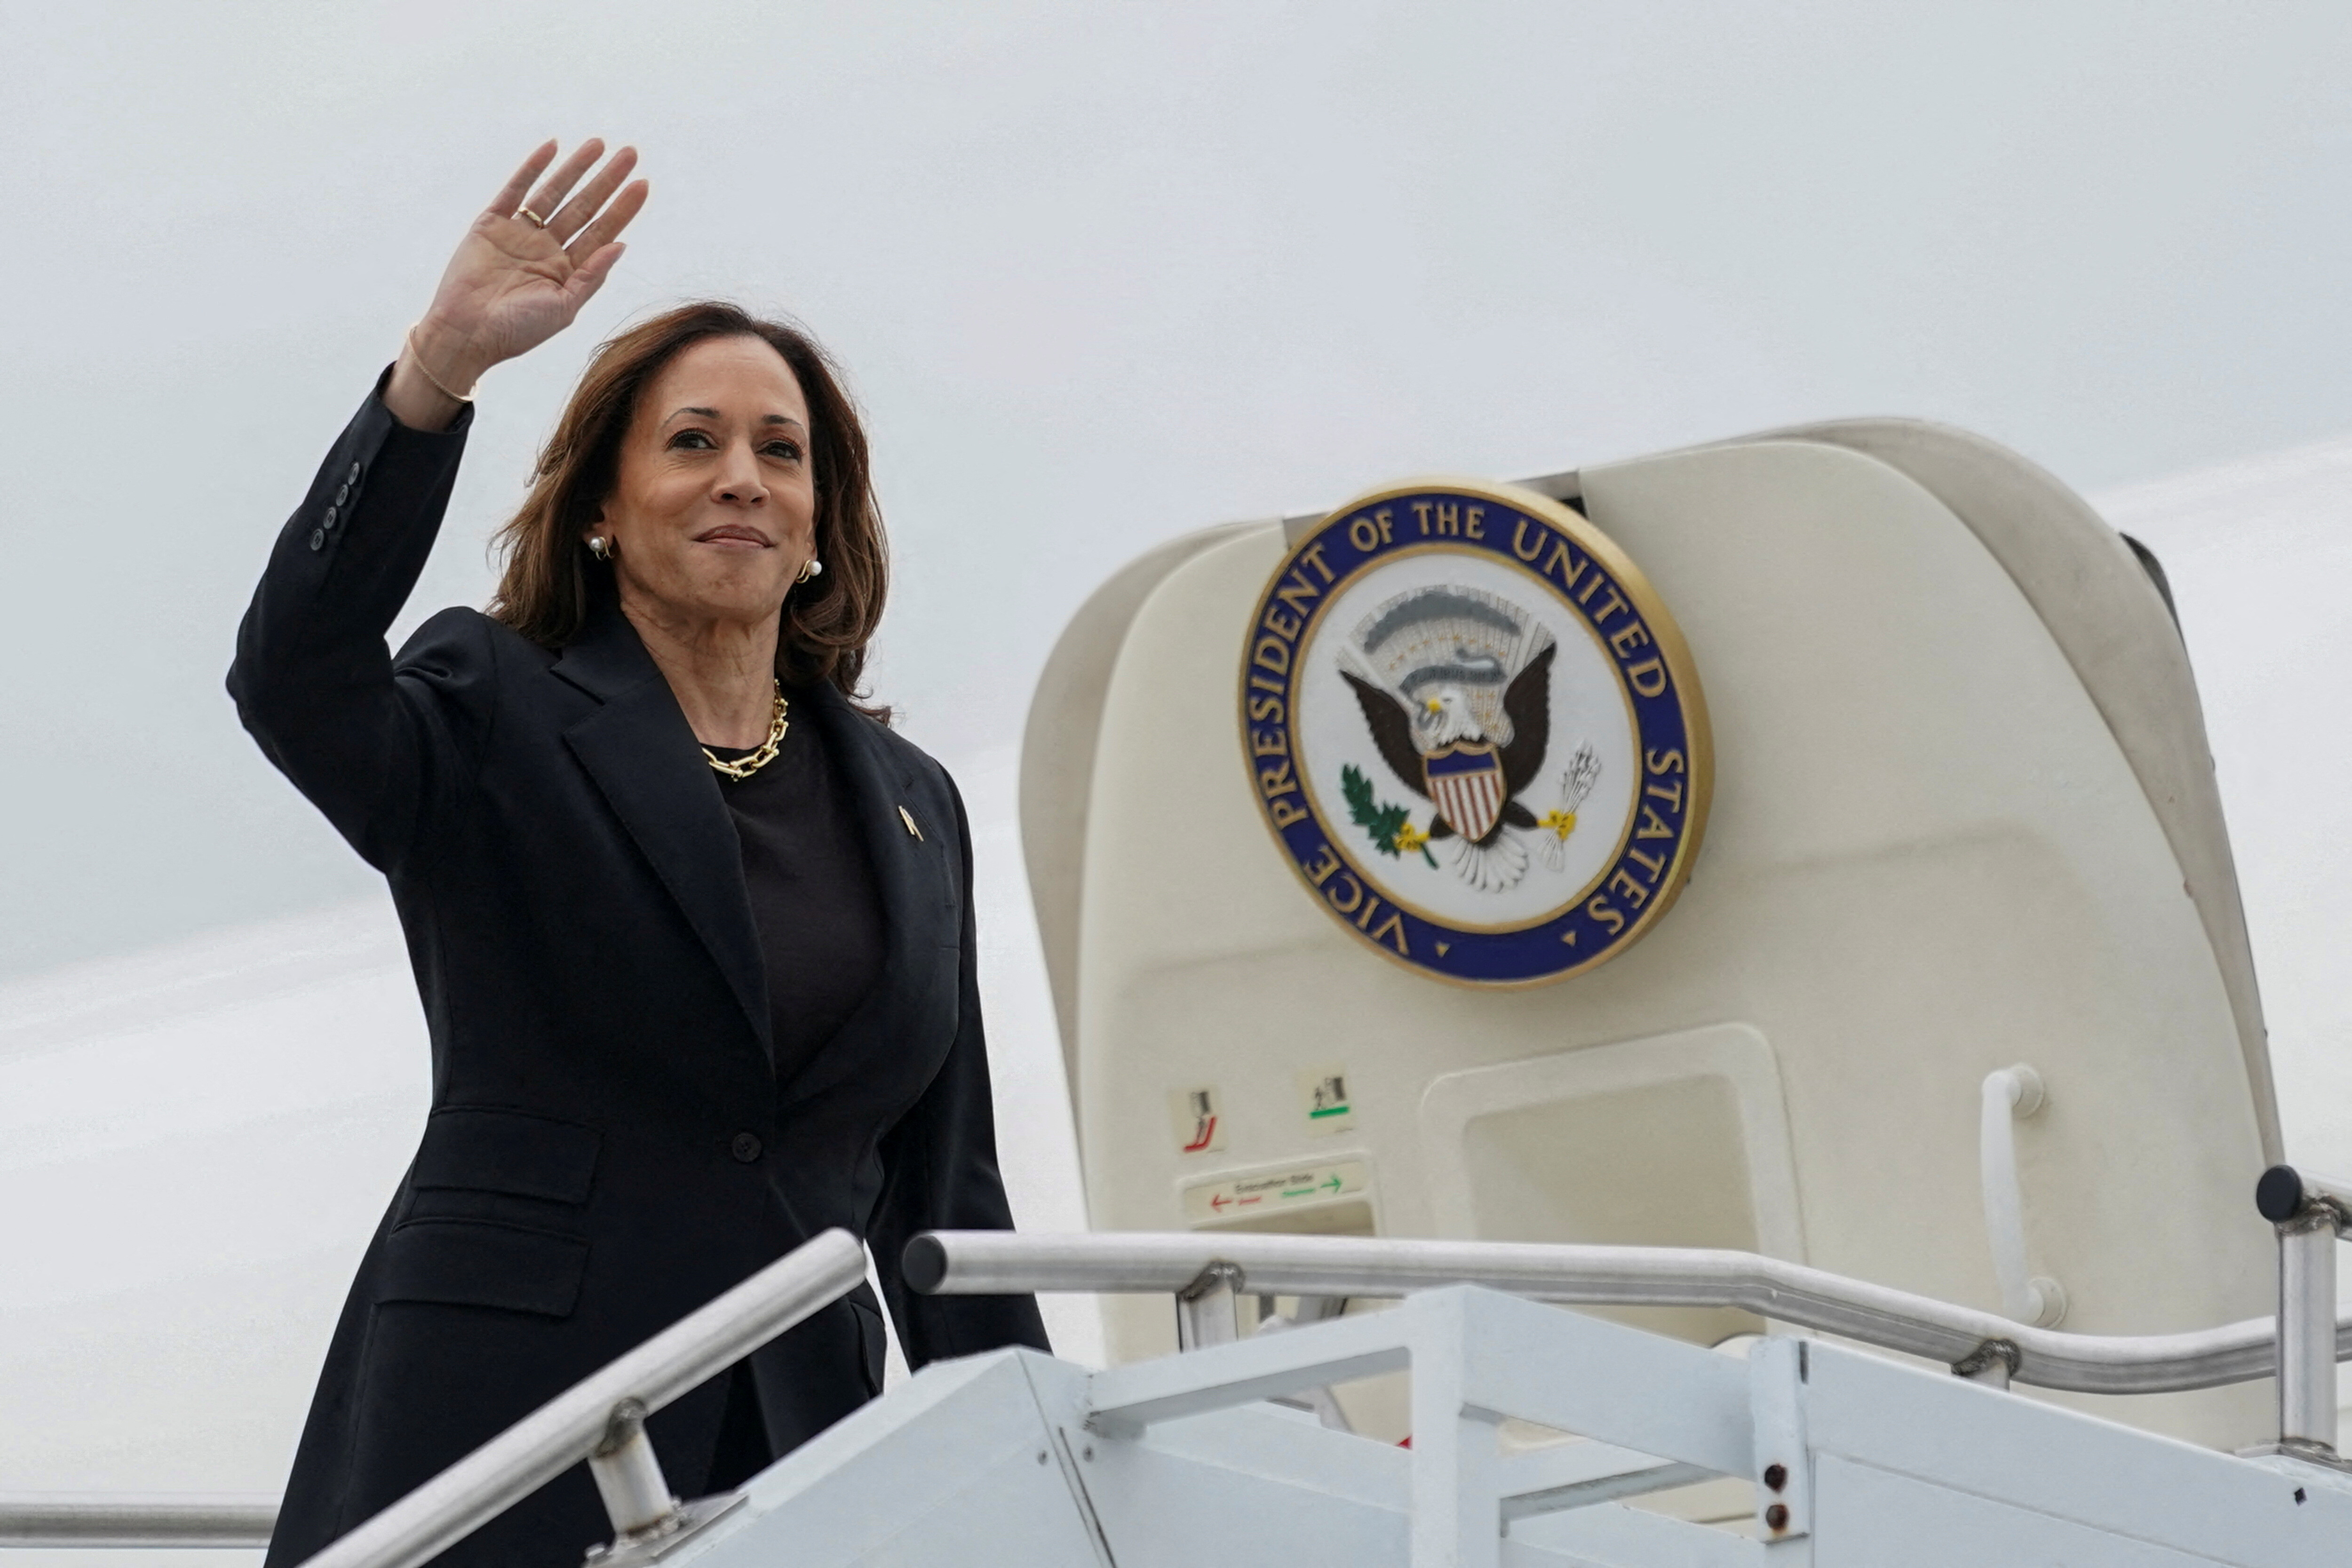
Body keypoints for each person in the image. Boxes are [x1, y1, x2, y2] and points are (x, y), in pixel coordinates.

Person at [229, 139, 1048, 1568]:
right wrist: (438, 372)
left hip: (806, 1461)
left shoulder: (917, 805)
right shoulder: (495, 707)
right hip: (501, 1431)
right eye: (692, 441)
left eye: (779, 452)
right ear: (604, 511)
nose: (742, 477)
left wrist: (1048, 1470)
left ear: (816, 525)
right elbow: (292, 675)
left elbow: (947, 1202)